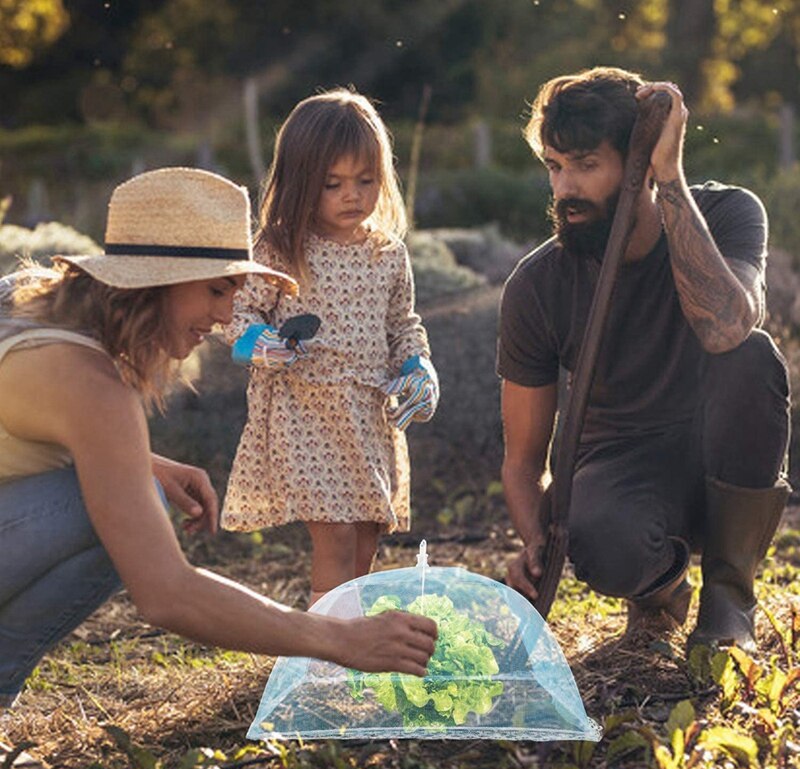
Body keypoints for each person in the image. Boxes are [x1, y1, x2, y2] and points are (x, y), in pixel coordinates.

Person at [0, 167, 437, 709]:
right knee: (117, 513)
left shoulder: (27, 302)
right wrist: (339, 638)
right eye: (216, 289)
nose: (227, 314)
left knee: (131, 493)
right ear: (153, 281)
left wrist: (143, 461)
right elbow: (167, 593)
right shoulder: (91, 388)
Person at [497, 67, 790, 652]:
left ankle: (729, 599)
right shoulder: (537, 285)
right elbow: (523, 461)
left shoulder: (730, 214)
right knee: (602, 537)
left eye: (586, 165)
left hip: (722, 449)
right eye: (555, 166)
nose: (565, 189)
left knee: (752, 356)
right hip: (622, 464)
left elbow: (727, 328)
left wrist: (668, 177)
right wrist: (536, 541)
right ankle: (660, 591)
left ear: (640, 163)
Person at [223, 88, 439, 607]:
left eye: (366, 180)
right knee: (336, 534)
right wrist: (262, 344)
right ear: (301, 181)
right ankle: (327, 645)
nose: (352, 196)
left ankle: (345, 630)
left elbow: (402, 325)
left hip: (369, 413)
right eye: (332, 183)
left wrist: (419, 368)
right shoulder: (280, 248)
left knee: (365, 535)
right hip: (306, 411)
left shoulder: (387, 254)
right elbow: (238, 312)